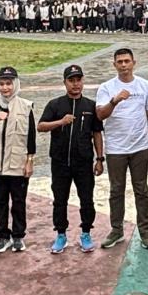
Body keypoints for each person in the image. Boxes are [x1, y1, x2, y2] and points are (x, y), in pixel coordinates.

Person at [96, 48, 148, 250]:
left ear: (134, 63)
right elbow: (100, 115)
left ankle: (145, 232)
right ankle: (116, 230)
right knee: (116, 190)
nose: (123, 65)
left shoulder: (145, 86)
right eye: (120, 61)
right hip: (116, 148)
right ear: (114, 64)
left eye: (127, 61)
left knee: (142, 190)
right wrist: (114, 100)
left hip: (140, 147)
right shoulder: (106, 87)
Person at [37, 64, 103, 254]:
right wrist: (60, 122)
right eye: (71, 80)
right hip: (60, 162)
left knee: (87, 199)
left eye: (78, 80)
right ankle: (61, 234)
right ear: (65, 82)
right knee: (60, 200)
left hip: (83, 162)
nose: (75, 84)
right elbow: (41, 126)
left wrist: (100, 159)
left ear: (83, 81)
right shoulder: (55, 104)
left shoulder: (90, 106)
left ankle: (86, 233)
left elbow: (97, 133)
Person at [0, 66, 36, 252]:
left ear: (15, 84)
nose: (5, 88)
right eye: (1, 84)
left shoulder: (26, 106)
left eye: (8, 83)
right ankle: (3, 236)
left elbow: (31, 138)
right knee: (0, 202)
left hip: (17, 163)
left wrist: (29, 161)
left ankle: (18, 236)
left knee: (18, 202)